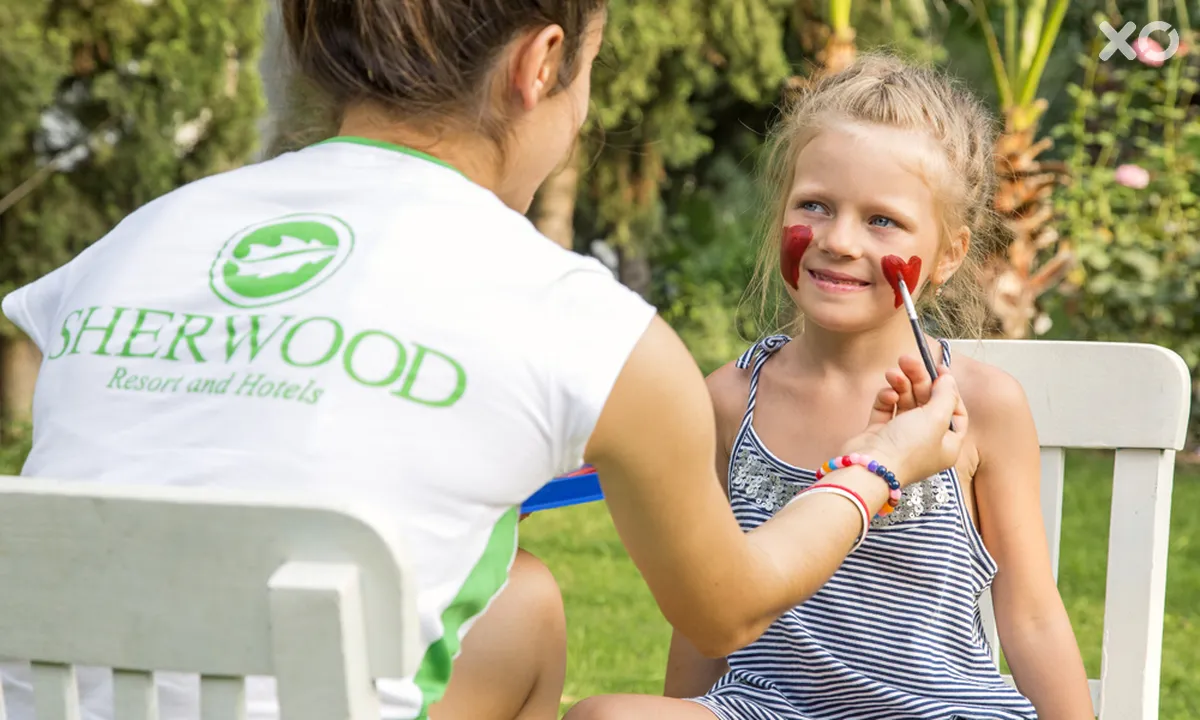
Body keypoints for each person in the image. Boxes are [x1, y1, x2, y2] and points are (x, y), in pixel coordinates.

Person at [0, 5, 967, 720]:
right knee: (520, 603)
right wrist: (881, 462)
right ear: (542, 63)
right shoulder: (581, 321)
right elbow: (727, 614)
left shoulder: (137, 239)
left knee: (520, 600)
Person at [565, 54, 1095, 720]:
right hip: (769, 708)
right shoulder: (730, 402)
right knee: (603, 717)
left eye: (883, 221)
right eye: (814, 205)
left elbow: (1033, 615)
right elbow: (707, 608)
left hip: (939, 712)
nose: (838, 240)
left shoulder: (979, 406)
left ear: (949, 253)